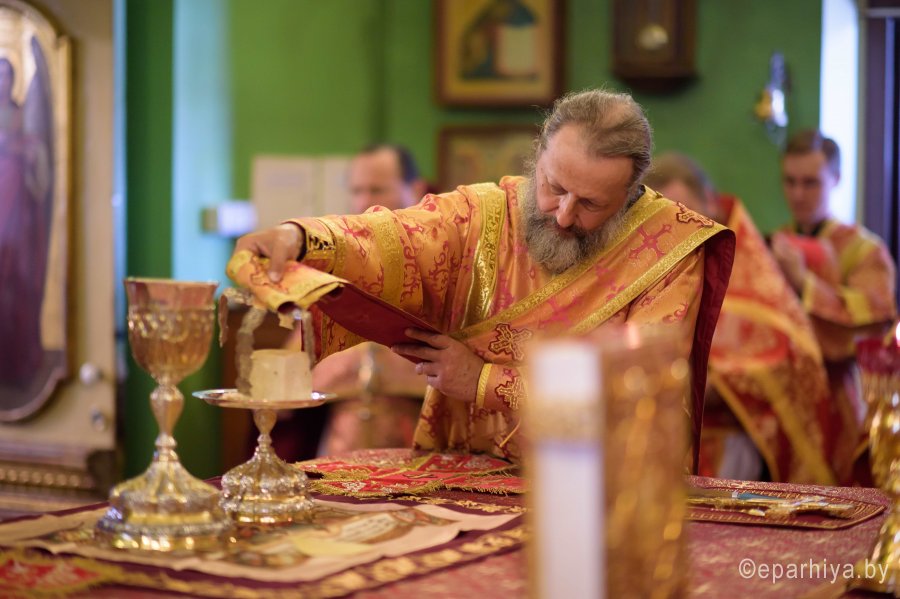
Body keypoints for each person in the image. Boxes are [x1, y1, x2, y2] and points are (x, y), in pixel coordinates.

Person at [233, 89, 735, 467]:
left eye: (590, 204)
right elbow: (394, 238)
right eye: (554, 187)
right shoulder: (485, 213)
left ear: (629, 196)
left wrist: (483, 381)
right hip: (469, 467)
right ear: (538, 156)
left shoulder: (668, 251)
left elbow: (639, 397)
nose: (563, 215)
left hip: (590, 481)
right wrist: (299, 238)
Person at [645, 153, 839, 484]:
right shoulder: (656, 257)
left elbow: (787, 352)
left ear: (710, 203)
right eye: (665, 222)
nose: (677, 230)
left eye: (685, 214)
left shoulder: (753, 264)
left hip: (729, 438)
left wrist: (711, 384)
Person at [770, 129, 897, 482]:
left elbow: (874, 320)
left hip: (841, 399)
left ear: (836, 178)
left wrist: (804, 283)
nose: (798, 194)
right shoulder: (777, 243)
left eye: (810, 182)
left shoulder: (865, 250)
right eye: (790, 181)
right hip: (786, 400)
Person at [312, 144, 429, 454]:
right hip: (339, 446)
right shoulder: (333, 267)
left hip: (421, 442)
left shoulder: (442, 264)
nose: (364, 202)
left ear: (415, 190)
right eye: (357, 190)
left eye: (377, 189)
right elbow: (297, 371)